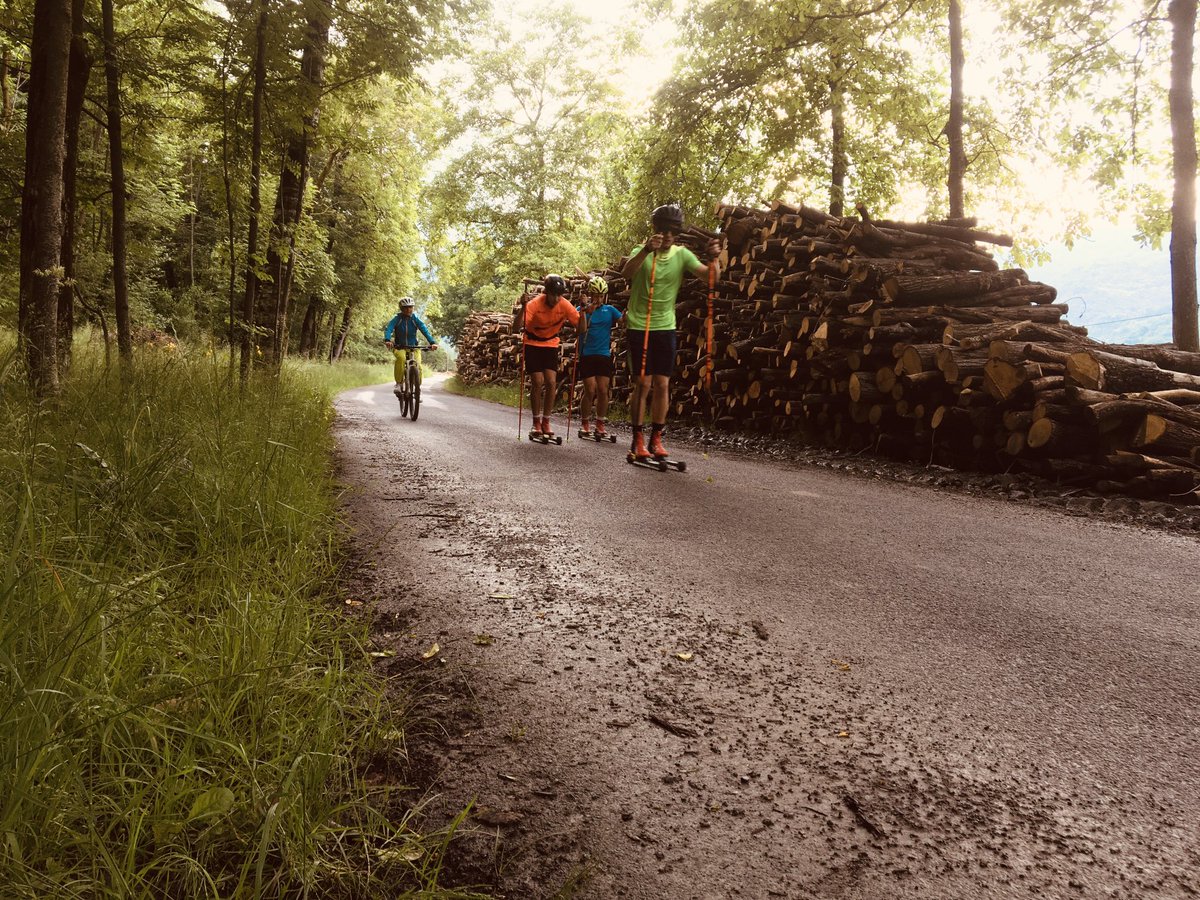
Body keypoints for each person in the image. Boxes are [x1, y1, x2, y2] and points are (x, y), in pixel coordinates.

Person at [619, 204, 720, 460]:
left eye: (672, 233)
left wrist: (714, 257)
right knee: (642, 383)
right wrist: (645, 250)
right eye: (663, 232)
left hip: (665, 326)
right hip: (639, 325)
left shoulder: (681, 255)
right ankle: (637, 439)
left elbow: (710, 278)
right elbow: (626, 273)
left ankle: (656, 438)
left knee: (663, 384)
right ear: (655, 231)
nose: (667, 237)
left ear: (677, 235)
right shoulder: (640, 253)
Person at [511, 274, 585, 438]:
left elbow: (580, 328)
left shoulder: (564, 305)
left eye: (560, 294)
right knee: (538, 381)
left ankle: (546, 421)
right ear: (546, 292)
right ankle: (536, 422)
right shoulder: (534, 304)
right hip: (532, 343)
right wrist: (523, 307)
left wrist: (584, 309)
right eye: (554, 294)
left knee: (551, 382)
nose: (557, 298)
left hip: (550, 344)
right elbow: (516, 328)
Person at [576, 275, 622, 438]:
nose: (598, 299)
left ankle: (600, 423)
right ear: (589, 294)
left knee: (603, 390)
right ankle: (585, 423)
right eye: (595, 295)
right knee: (590, 390)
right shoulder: (582, 310)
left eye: (601, 295)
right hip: (587, 353)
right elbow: (580, 330)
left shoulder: (609, 310)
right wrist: (585, 311)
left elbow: (624, 321)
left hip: (603, 354)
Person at [384, 297, 437, 391]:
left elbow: (424, 330)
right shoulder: (397, 319)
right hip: (400, 347)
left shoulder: (415, 319)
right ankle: (399, 384)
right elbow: (389, 328)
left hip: (414, 347)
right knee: (401, 358)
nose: (409, 309)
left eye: (410, 307)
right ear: (401, 308)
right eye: (406, 307)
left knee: (418, 365)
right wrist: (387, 340)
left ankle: (417, 388)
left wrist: (432, 342)